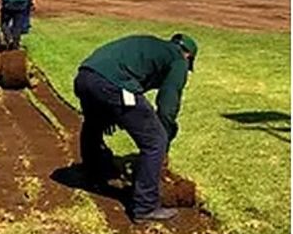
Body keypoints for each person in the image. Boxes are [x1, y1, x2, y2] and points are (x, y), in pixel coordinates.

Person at [72, 33, 198, 222]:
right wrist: (164, 137)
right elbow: (168, 102)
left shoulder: (153, 46)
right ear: (188, 55)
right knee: (155, 141)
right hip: (112, 83)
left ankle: (93, 172)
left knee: (94, 124)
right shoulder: (178, 59)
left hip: (85, 76)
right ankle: (145, 207)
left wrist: (109, 113)